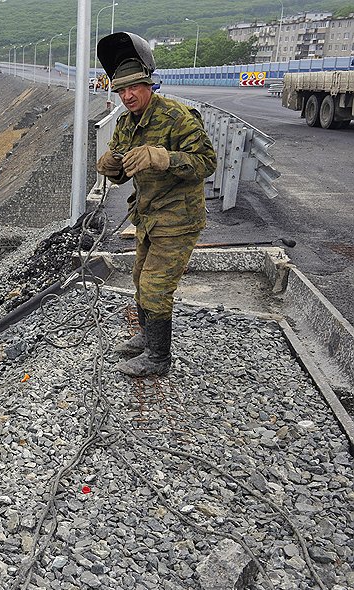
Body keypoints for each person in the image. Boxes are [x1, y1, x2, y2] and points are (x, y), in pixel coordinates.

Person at [95, 32, 217, 378]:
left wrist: (164, 158)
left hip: (178, 217)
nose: (128, 96)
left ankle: (158, 358)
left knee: (155, 286)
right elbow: (121, 173)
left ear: (149, 84)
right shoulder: (126, 123)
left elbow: (207, 163)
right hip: (147, 215)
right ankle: (148, 337)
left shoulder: (178, 117)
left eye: (134, 88)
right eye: (121, 90)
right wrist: (111, 167)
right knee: (139, 278)